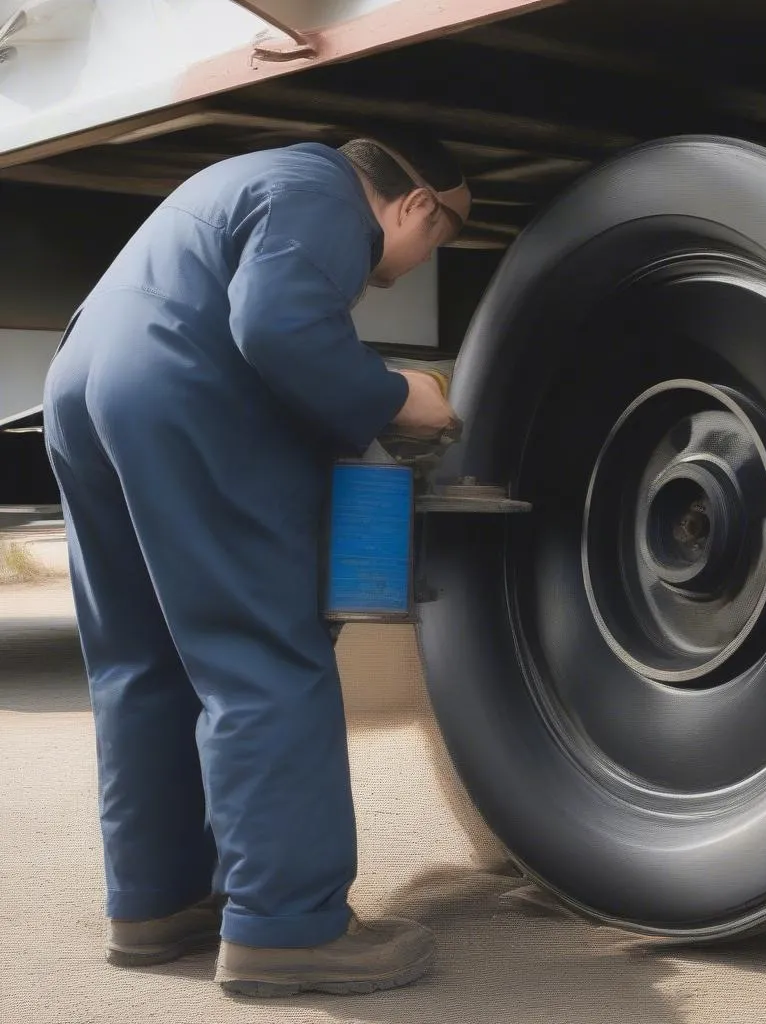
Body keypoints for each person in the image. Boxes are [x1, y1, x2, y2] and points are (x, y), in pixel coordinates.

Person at [42, 134, 470, 998]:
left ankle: (158, 904)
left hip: (83, 384)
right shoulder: (325, 192)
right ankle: (289, 929)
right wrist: (400, 397)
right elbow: (275, 323)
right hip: (176, 385)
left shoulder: (245, 172)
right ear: (419, 206)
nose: (425, 259)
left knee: (142, 657)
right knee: (265, 656)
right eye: (441, 240)